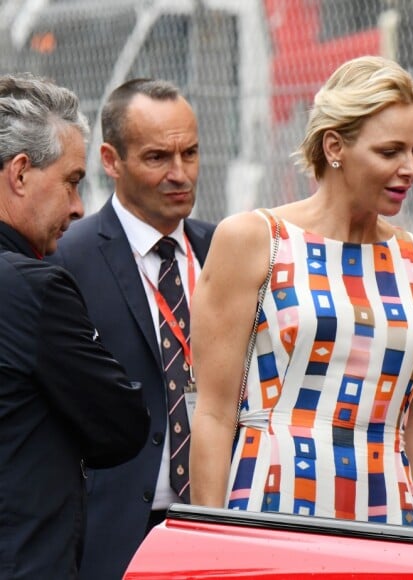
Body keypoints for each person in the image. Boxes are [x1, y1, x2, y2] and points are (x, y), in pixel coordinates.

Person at [189, 56, 413, 529]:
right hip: (272, 509)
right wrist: (211, 538)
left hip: (389, 515)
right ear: (335, 146)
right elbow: (213, 414)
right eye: (390, 151)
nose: (410, 167)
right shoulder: (253, 240)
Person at [50, 79, 215, 579]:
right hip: (115, 531)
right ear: (110, 159)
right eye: (157, 157)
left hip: (218, 522)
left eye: (190, 153)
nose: (180, 174)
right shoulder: (66, 259)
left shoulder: (226, 252)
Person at [0, 73, 149, 579]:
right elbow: (122, 424)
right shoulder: (32, 287)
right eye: (71, 181)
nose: (78, 207)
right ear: (20, 174)